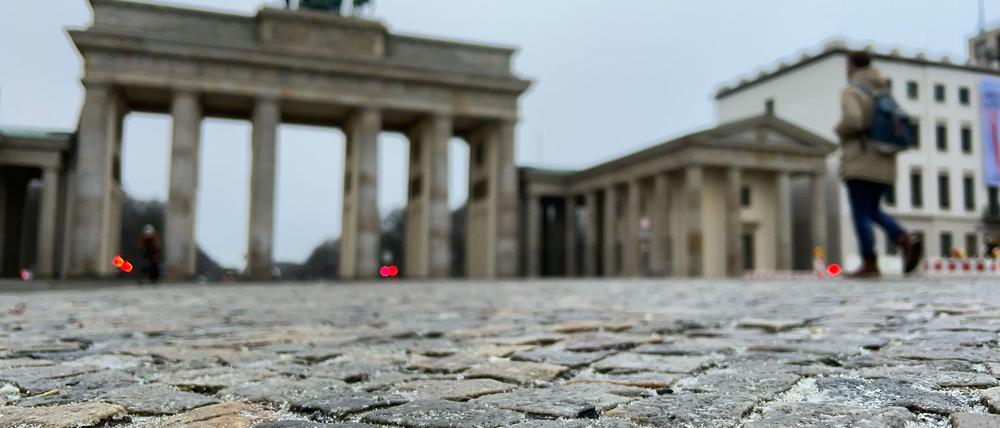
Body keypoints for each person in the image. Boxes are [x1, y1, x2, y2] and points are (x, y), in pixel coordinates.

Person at [835, 51, 922, 277]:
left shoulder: (852, 91)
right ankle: (902, 239)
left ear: (851, 66)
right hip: (885, 162)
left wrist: (839, 129)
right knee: (872, 209)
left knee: (860, 212)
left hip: (861, 160)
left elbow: (854, 120)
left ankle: (870, 262)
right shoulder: (883, 91)